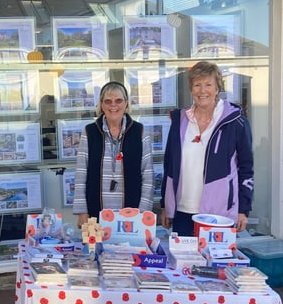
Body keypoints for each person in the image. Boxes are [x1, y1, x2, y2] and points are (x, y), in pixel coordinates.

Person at [160, 61, 254, 235]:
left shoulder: (236, 121)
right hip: (182, 211)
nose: (202, 91)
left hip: (219, 214)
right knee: (183, 262)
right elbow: (169, 165)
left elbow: (246, 168)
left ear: (217, 88)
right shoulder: (179, 120)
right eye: (197, 85)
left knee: (216, 262)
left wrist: (243, 209)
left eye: (208, 85)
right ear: (191, 89)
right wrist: (166, 205)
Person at [73, 81, 154, 228]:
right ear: (102, 105)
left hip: (132, 213)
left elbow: (147, 175)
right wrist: (81, 211)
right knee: (95, 250)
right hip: (94, 212)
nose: (113, 105)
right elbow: (80, 173)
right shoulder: (89, 132)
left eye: (118, 100)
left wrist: (143, 213)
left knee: (130, 249)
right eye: (108, 101)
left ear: (126, 104)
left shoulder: (140, 132)